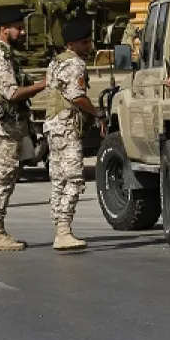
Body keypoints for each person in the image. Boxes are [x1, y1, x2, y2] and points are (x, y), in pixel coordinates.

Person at [0, 7, 46, 251]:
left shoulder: (8, 55)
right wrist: (43, 85)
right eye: (17, 28)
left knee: (7, 176)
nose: (22, 32)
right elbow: (11, 93)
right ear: (4, 29)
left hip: (10, 127)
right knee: (2, 177)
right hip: (1, 129)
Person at [46, 19, 104, 251]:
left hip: (54, 126)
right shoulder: (75, 64)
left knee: (59, 179)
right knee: (74, 179)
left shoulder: (56, 62)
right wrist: (97, 113)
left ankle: (59, 228)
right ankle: (63, 231)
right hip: (67, 126)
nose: (88, 46)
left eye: (89, 41)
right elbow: (77, 96)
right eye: (84, 43)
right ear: (71, 44)